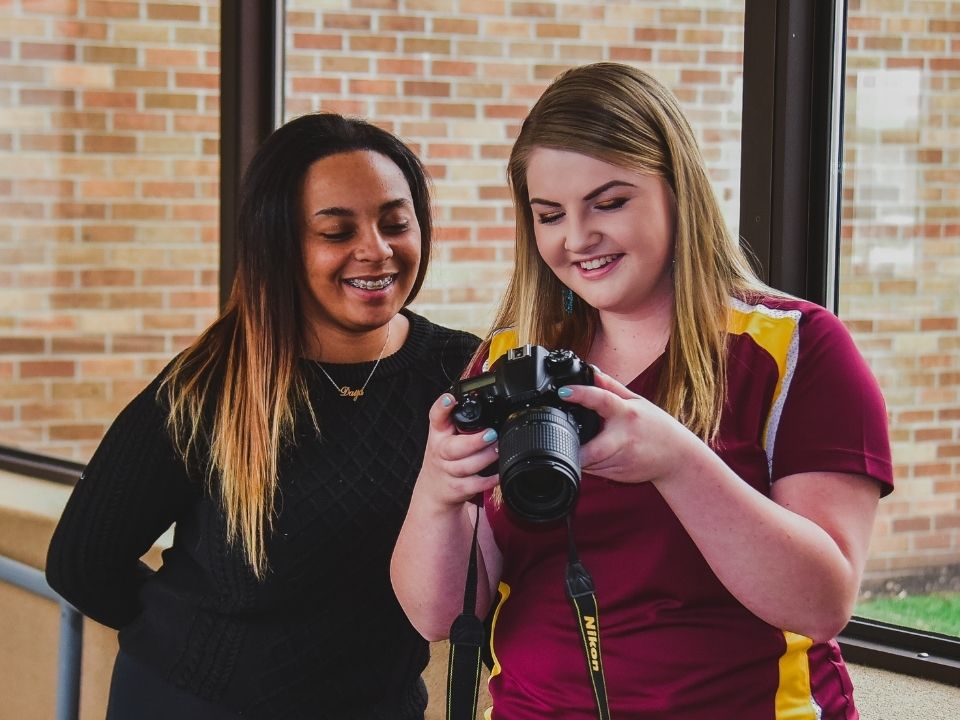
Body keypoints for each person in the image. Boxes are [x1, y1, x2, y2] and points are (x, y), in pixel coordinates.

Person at [391, 62, 893, 720]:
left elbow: (821, 604)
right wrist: (438, 485)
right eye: (550, 215)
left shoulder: (797, 350)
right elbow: (438, 613)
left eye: (610, 202)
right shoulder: (512, 361)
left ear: (677, 190)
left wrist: (676, 461)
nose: (577, 238)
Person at [45, 112, 480, 719]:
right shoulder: (211, 384)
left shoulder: (461, 373)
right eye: (336, 231)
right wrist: (195, 652)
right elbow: (82, 561)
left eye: (395, 222)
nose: (376, 250)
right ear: (282, 244)